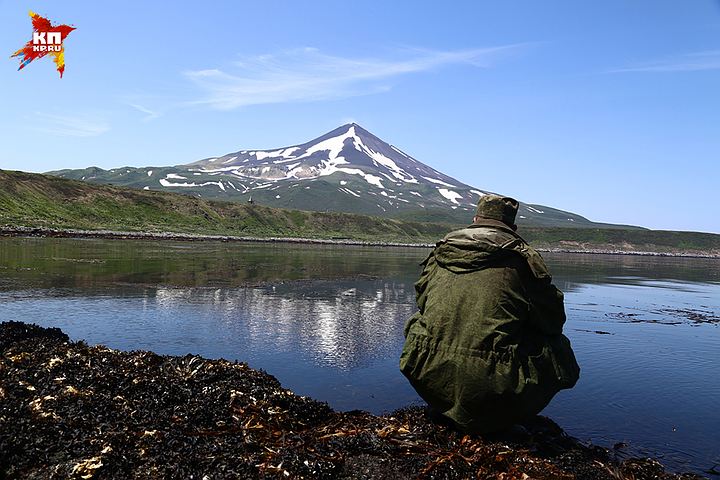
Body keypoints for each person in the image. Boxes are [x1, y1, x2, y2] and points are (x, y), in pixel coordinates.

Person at [399, 194, 580, 433]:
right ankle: (496, 417)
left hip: (424, 369)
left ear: (475, 219)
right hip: (492, 383)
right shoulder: (522, 259)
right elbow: (552, 321)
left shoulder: (441, 252)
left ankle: (447, 403)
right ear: (512, 227)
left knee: (417, 323)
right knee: (557, 346)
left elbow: (422, 301)